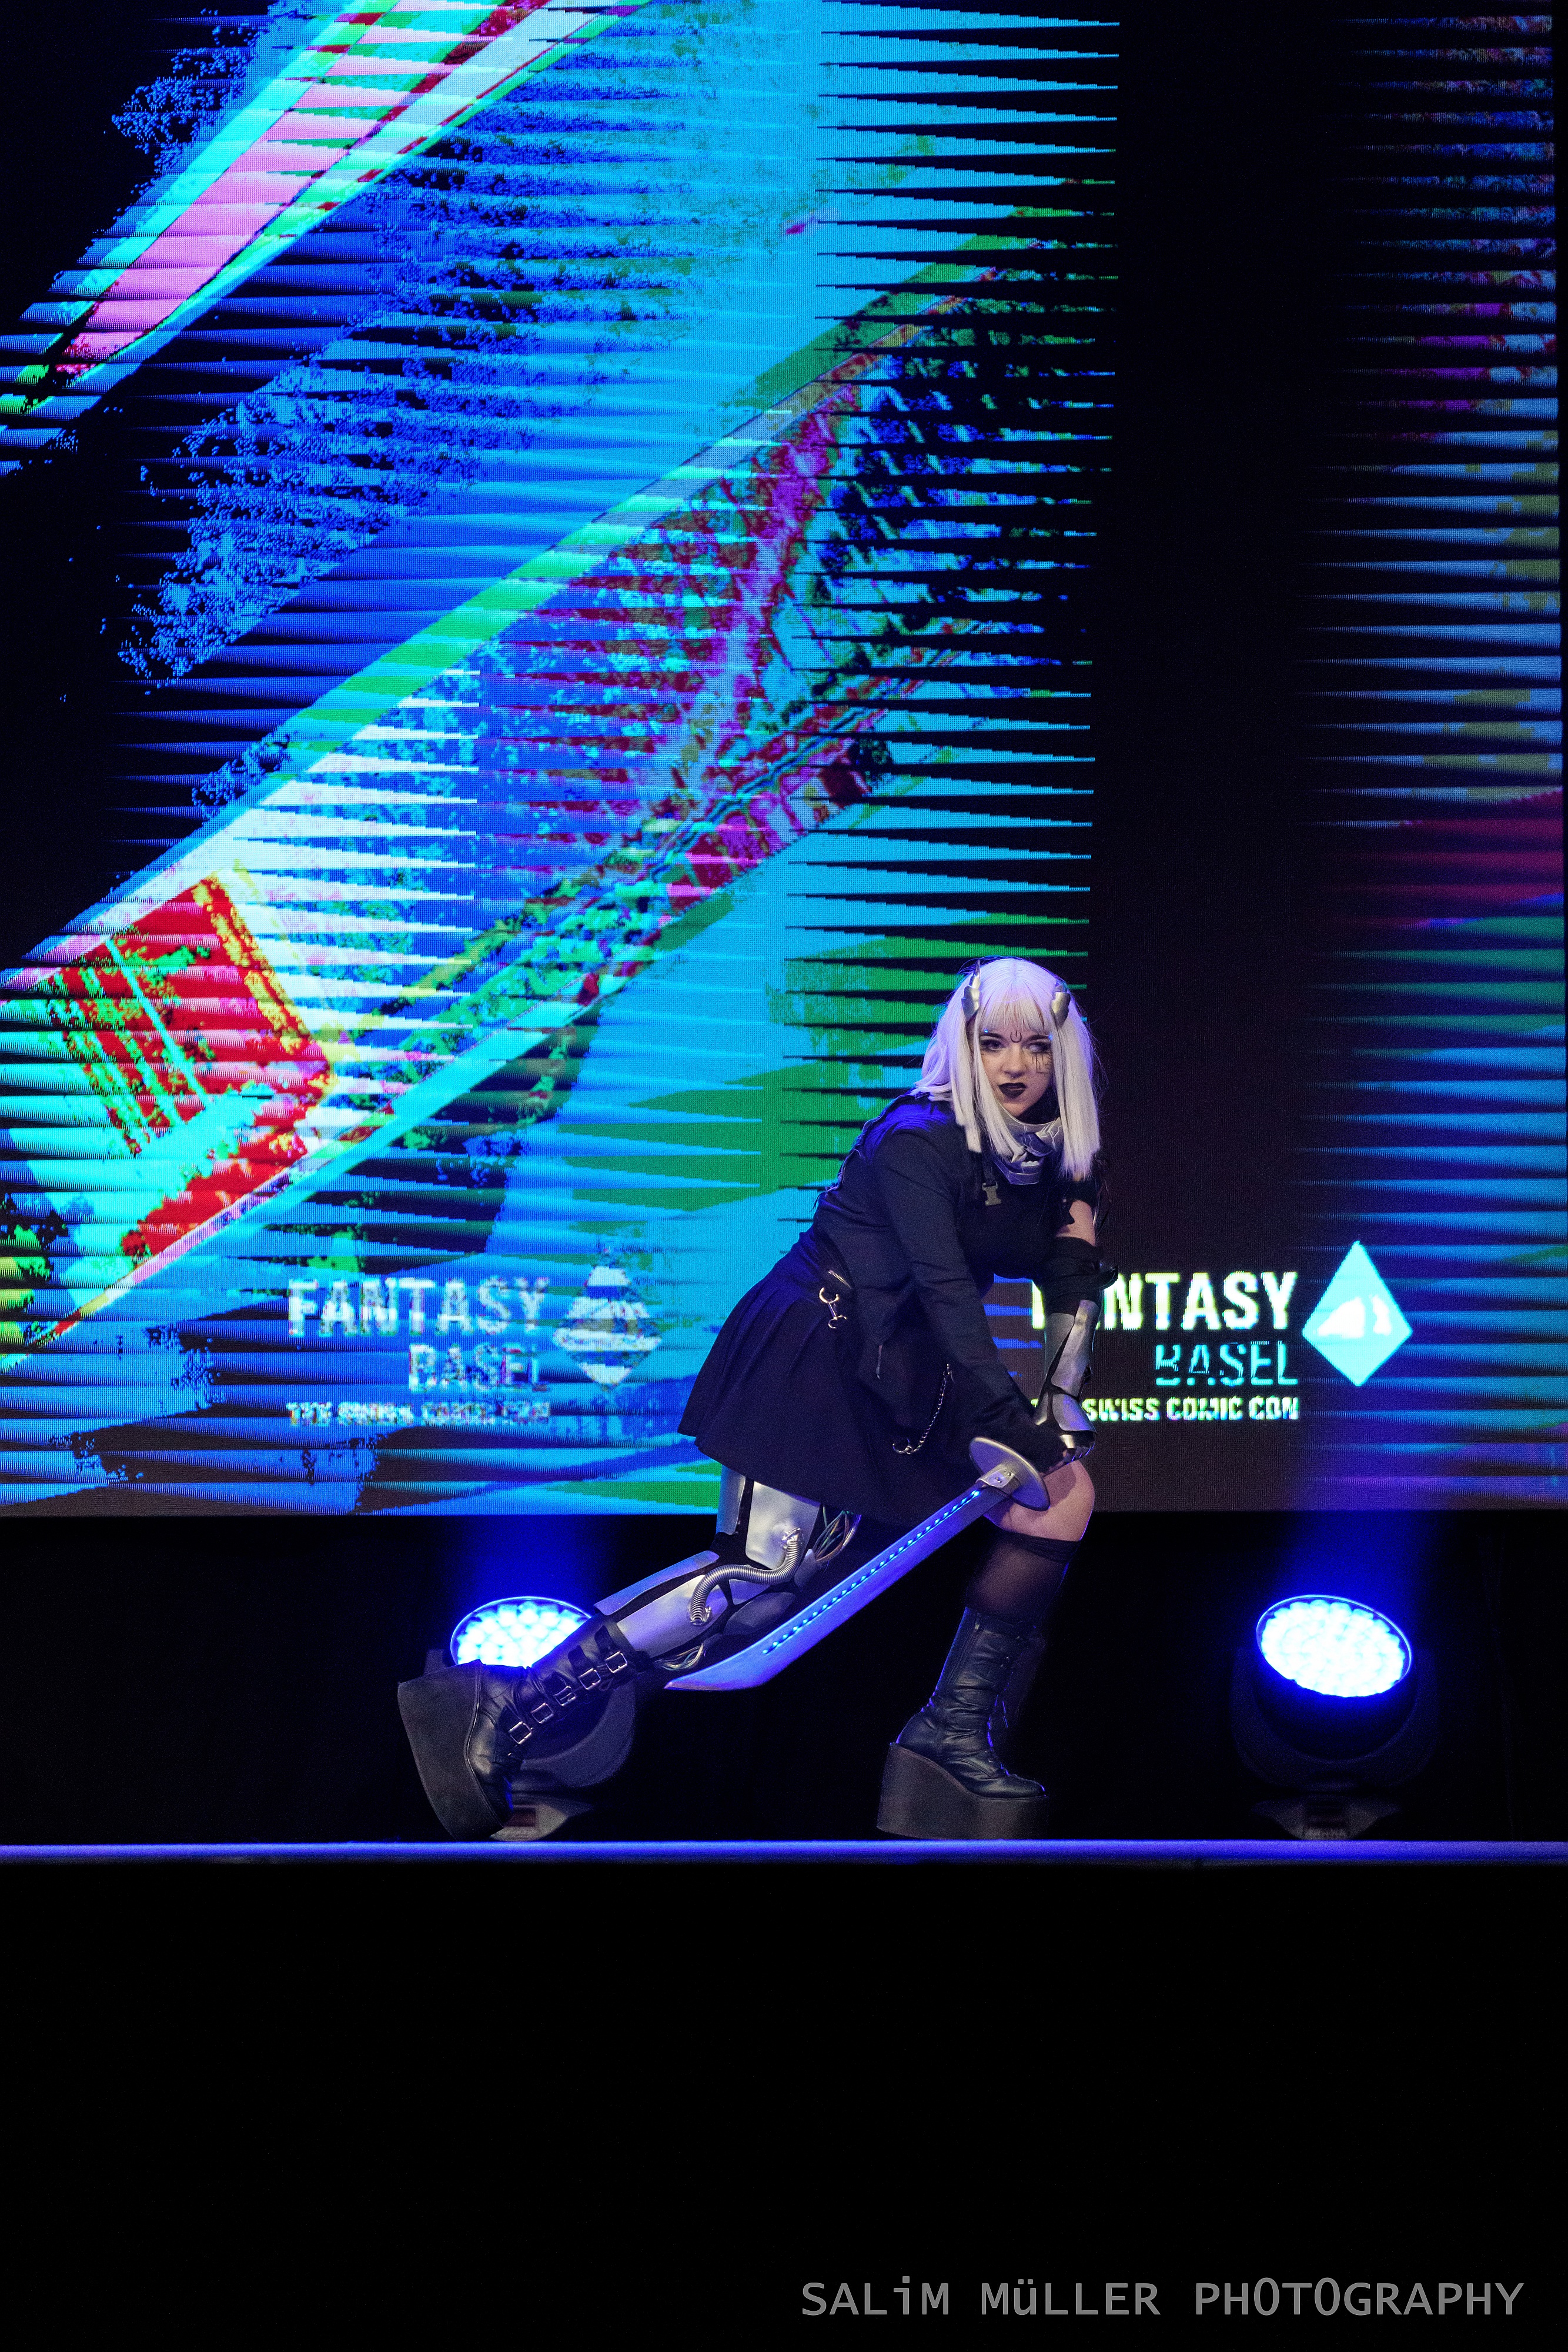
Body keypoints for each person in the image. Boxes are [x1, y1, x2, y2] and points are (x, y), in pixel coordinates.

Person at [399, 957, 1111, 1842]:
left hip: (909, 1367)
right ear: (963, 1047)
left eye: (1035, 1046)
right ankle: (505, 1707)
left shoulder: (1057, 1153)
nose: (1014, 1065)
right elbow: (943, 1291)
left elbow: (1071, 1278)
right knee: (764, 1574)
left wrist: (1060, 1401)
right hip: (818, 1346)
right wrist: (1010, 1420)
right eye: (994, 1043)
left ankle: (951, 1736)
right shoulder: (918, 1137)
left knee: (1059, 1501)